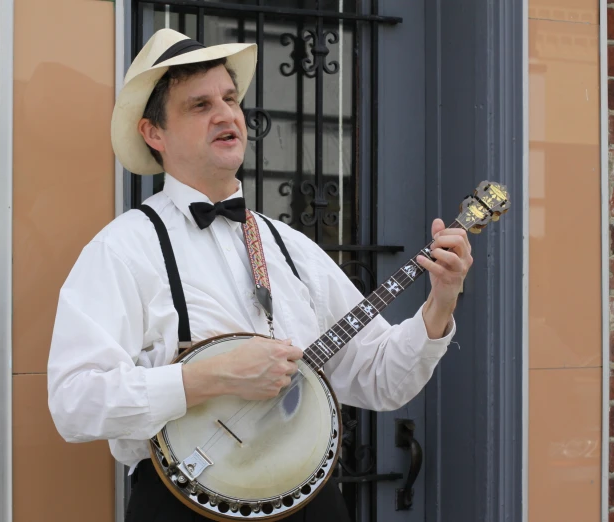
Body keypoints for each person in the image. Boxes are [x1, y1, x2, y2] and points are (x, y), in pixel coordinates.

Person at [47, 28, 472, 521]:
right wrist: (204, 378)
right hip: (185, 506)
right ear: (153, 133)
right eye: (200, 105)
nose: (226, 114)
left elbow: (378, 379)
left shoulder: (290, 247)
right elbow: (74, 403)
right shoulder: (121, 250)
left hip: (312, 504)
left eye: (230, 98)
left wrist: (440, 303)